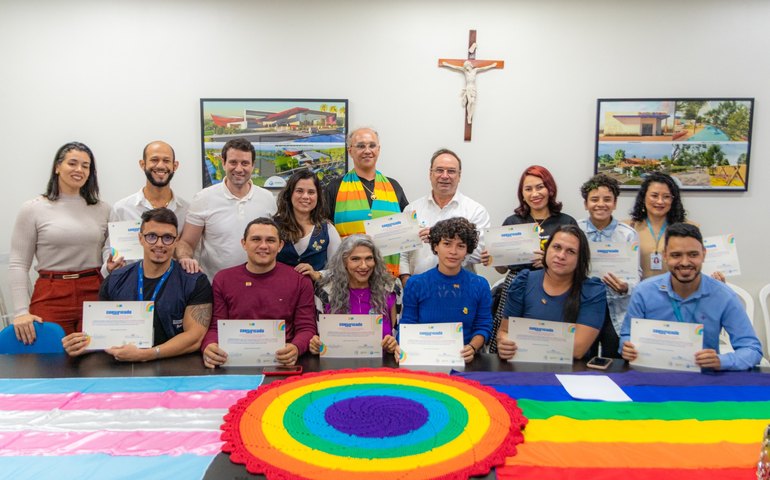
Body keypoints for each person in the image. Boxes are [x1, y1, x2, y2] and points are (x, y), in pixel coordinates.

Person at [62, 208, 213, 361]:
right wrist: (82, 344)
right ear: (140, 238)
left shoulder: (195, 281)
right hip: (123, 365)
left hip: (175, 367)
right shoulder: (115, 280)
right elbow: (104, 332)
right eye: (152, 236)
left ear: (176, 241)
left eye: (167, 237)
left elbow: (194, 338)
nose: (160, 244)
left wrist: (145, 354)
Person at [620, 223, 762, 371]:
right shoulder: (644, 292)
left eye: (693, 254)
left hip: (704, 378)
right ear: (665, 256)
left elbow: (752, 349)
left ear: (704, 255)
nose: (685, 262)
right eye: (676, 255)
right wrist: (626, 347)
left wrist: (721, 361)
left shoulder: (723, 296)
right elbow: (626, 335)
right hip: (653, 375)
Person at [9, 142, 112, 342]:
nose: (79, 170)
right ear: (57, 167)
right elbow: (18, 263)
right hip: (50, 292)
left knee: (95, 360)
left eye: (85, 165)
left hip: (94, 290)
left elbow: (110, 253)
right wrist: (21, 311)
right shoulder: (33, 208)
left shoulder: (103, 210)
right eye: (72, 163)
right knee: (50, 361)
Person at [481, 165, 577, 352]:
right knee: (509, 344)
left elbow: (578, 261)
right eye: (528, 189)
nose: (535, 193)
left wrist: (550, 264)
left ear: (550, 189)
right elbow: (502, 269)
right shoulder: (512, 222)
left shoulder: (566, 222)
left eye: (540, 187)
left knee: (546, 344)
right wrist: (493, 260)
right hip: (515, 287)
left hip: (554, 289)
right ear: (522, 194)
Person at [200, 218, 317, 368]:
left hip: (282, 362)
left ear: (280, 245)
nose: (263, 246)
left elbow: (306, 328)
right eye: (256, 239)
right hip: (232, 363)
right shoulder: (223, 279)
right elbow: (216, 327)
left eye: (270, 240)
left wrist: (296, 348)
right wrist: (209, 346)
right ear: (244, 243)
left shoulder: (300, 281)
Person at [496, 225, 606, 361]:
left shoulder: (592, 291)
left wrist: (524, 342)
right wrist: (504, 343)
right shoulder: (523, 282)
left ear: (580, 259)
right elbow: (505, 331)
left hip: (571, 373)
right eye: (557, 247)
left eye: (571, 251)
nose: (561, 256)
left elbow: (577, 349)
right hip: (524, 367)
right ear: (546, 250)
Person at [176, 138, 277, 279]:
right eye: (233, 162)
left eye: (245, 163)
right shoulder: (203, 198)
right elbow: (186, 243)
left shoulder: (267, 198)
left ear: (253, 165)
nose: (239, 169)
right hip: (215, 287)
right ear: (223, 163)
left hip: (260, 284)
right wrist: (184, 258)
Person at [398, 217, 493, 363]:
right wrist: (402, 348)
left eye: (460, 246)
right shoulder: (415, 283)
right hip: (422, 359)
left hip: (464, 360)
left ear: (467, 250)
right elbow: (407, 325)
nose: (453, 251)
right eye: (447, 244)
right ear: (435, 246)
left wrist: (472, 348)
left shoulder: (480, 285)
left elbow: (484, 325)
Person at [324, 127, 409, 277]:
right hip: (347, 276)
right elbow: (325, 230)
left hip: (386, 275)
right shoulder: (334, 187)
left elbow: (406, 230)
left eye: (372, 145)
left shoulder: (394, 187)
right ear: (350, 151)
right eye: (361, 146)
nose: (367, 150)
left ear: (379, 149)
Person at [399, 148, 490, 284]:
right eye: (439, 170)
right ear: (430, 174)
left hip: (460, 288)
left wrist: (441, 239)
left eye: (451, 171)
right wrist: (407, 282)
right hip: (418, 289)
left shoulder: (476, 211)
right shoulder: (412, 209)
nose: (445, 176)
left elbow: (478, 254)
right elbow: (402, 252)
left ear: (459, 176)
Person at [102, 140, 189, 275]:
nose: (160, 165)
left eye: (166, 160)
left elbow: (192, 250)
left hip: (174, 287)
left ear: (175, 165)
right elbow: (110, 249)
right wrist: (108, 268)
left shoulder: (187, 210)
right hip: (131, 287)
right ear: (142, 164)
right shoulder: (122, 209)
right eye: (154, 160)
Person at [577, 174, 640, 358]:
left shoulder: (628, 235)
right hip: (583, 306)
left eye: (607, 199)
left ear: (615, 203)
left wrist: (625, 287)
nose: (601, 204)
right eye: (594, 199)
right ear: (585, 204)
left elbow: (637, 275)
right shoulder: (575, 229)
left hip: (616, 307)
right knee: (583, 357)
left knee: (614, 359)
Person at [309, 235, 399, 354]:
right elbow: (317, 336)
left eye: (369, 258)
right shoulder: (326, 292)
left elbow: (398, 331)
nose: (363, 266)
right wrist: (315, 345)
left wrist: (394, 344)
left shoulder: (390, 289)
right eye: (355, 259)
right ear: (344, 262)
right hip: (337, 366)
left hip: (382, 367)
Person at [274, 169, 341, 282]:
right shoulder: (273, 227)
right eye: (299, 191)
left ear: (318, 196)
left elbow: (338, 269)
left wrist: (317, 274)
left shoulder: (328, 229)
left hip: (315, 296)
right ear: (290, 194)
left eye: (311, 192)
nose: (305, 196)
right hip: (279, 294)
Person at [627, 172, 690, 280]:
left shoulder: (688, 228)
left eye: (666, 196)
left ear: (673, 200)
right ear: (643, 197)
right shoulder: (628, 228)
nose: (660, 201)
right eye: (654, 196)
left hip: (675, 293)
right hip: (639, 293)